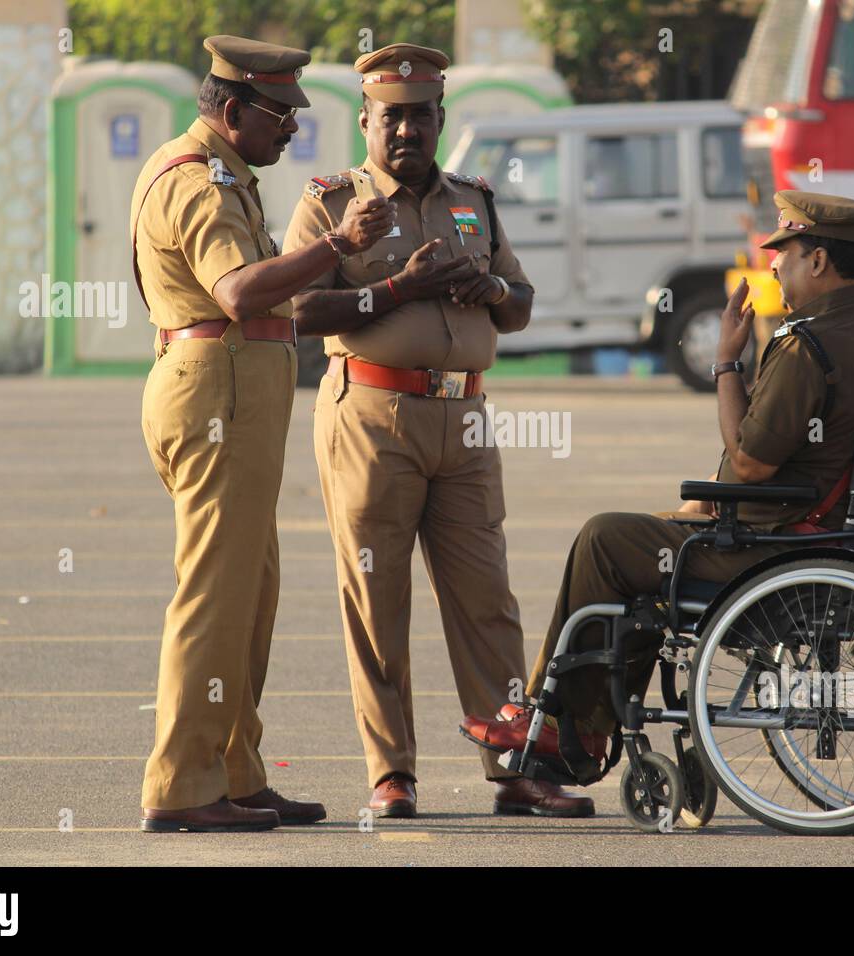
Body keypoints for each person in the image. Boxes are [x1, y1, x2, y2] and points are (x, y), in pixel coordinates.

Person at [461, 191, 854, 785]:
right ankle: (585, 721)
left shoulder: (808, 343)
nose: (773, 265)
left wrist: (728, 362)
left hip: (776, 550)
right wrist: (708, 500)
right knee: (648, 541)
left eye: (785, 252)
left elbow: (752, 462)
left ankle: (561, 722)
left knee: (604, 540)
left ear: (818, 263)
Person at [285, 43, 570, 819]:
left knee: (488, 598)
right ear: (368, 121)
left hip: (465, 417)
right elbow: (302, 310)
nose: (408, 131)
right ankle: (392, 774)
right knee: (377, 598)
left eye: (422, 116)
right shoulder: (333, 200)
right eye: (393, 118)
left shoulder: (473, 198)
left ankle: (512, 766)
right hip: (372, 417)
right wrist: (394, 289)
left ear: (441, 118)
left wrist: (492, 286)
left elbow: (520, 305)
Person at [134, 35, 394, 832]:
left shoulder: (221, 172)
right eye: (279, 114)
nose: (291, 129)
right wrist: (336, 246)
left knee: (250, 593)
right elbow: (240, 290)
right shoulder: (202, 182)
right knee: (214, 598)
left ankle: (235, 772)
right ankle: (181, 788)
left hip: (232, 400)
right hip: (218, 398)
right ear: (234, 109)